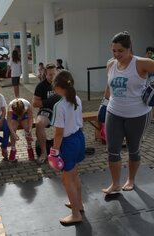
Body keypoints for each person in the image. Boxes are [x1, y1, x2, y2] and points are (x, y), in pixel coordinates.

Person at [99, 31, 154, 194]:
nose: (117, 54)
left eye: (120, 51)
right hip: (114, 112)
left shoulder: (140, 63)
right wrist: (104, 103)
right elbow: (109, 85)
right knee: (112, 150)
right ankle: (115, 183)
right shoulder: (110, 64)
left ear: (129, 48)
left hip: (137, 115)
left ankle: (131, 180)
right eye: (114, 51)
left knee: (133, 150)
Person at [48, 70, 85, 225]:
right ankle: (79, 205)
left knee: (67, 178)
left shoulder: (59, 105)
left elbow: (59, 133)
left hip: (68, 142)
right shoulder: (76, 98)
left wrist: (54, 152)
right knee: (74, 174)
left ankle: (75, 214)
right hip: (79, 138)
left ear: (57, 86)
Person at [33, 63, 61, 164]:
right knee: (39, 123)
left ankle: (69, 148)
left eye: (54, 74)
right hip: (47, 111)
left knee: (75, 118)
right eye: (50, 75)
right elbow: (35, 103)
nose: (52, 77)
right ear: (45, 74)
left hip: (61, 111)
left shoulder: (61, 84)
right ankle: (44, 153)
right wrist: (49, 101)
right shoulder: (41, 86)